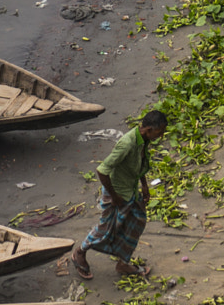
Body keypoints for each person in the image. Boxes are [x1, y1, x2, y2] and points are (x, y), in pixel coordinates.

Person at [69, 110, 167, 280]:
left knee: (137, 221)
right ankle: (79, 253)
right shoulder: (127, 144)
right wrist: (114, 196)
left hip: (130, 189)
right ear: (149, 129)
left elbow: (139, 162)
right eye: (160, 132)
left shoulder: (142, 140)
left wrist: (144, 185)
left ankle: (123, 262)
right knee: (106, 229)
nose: (161, 135)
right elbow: (102, 170)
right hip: (117, 192)